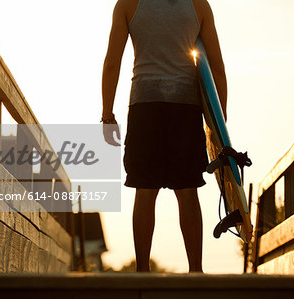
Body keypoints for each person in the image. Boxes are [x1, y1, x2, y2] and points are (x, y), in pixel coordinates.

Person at [101, 0, 227, 272]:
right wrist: (219, 124)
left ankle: (142, 272)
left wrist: (107, 113)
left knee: (145, 191)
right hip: (186, 108)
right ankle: (196, 270)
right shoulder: (198, 5)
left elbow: (112, 62)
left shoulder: (127, 4)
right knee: (188, 191)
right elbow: (216, 66)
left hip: (145, 106)